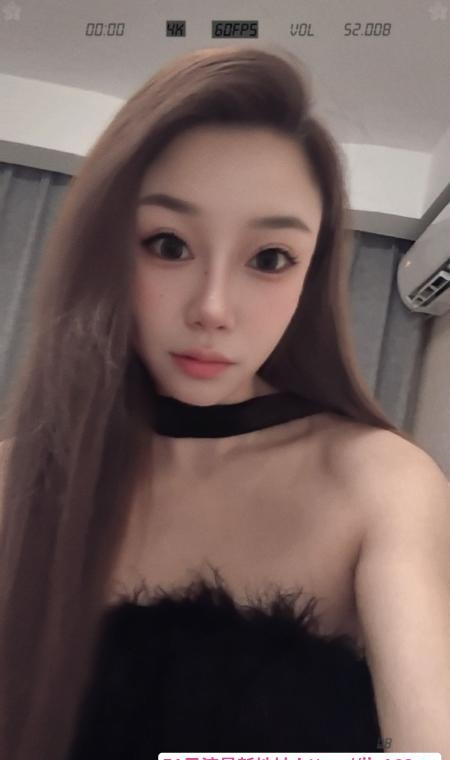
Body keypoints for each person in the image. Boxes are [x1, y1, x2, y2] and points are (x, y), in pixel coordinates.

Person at [0, 45, 448, 760]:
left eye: (269, 259)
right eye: (167, 244)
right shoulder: (16, 482)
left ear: (310, 275)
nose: (213, 308)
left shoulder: (379, 483)